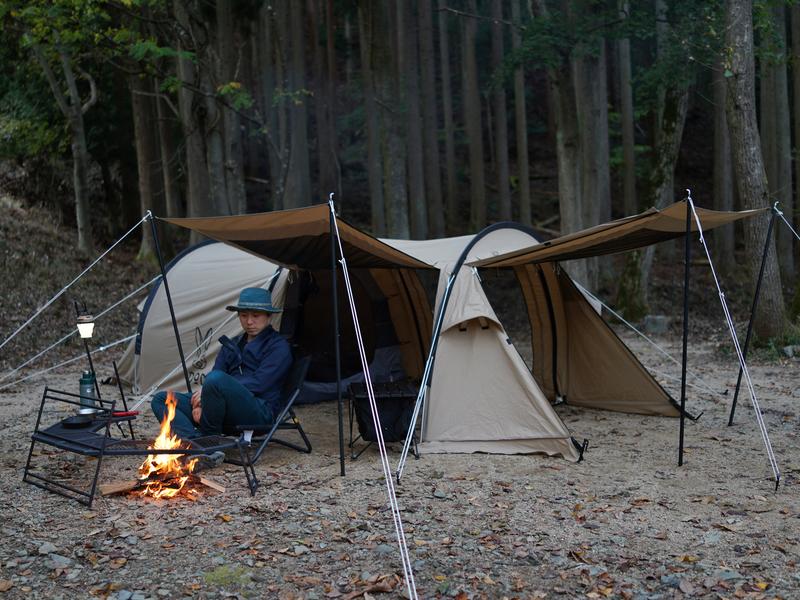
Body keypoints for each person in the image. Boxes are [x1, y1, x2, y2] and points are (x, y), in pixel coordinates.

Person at [151, 287, 292, 470]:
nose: (249, 321)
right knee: (162, 399)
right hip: (221, 404)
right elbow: (214, 378)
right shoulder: (231, 344)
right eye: (243, 315)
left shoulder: (278, 347)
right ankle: (195, 445)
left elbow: (259, 384)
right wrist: (202, 403)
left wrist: (208, 395)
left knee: (216, 379)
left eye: (256, 316)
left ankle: (209, 445)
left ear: (269, 316)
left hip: (258, 411)